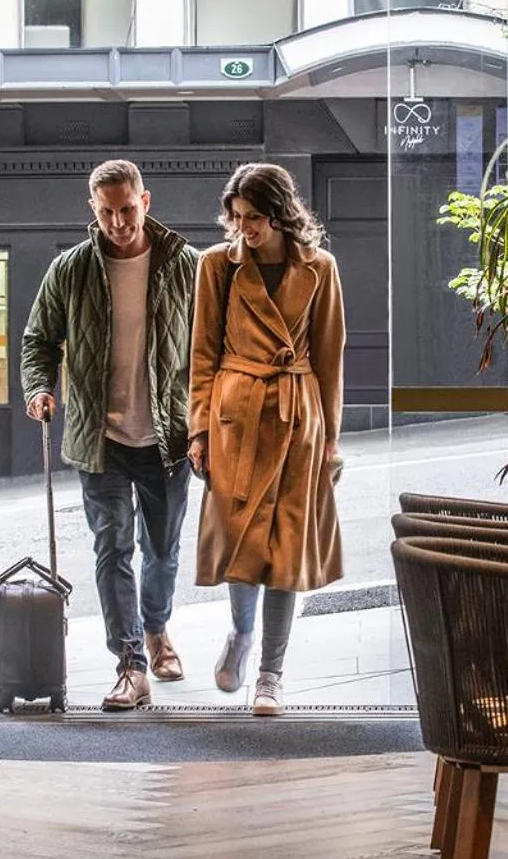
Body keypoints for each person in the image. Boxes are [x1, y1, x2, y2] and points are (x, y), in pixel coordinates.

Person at [21, 160, 199, 711]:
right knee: (112, 547)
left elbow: (212, 348)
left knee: (162, 549)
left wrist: (207, 423)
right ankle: (131, 663)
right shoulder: (70, 269)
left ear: (145, 202)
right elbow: (38, 339)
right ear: (92, 210)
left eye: (126, 209)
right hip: (100, 438)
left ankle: (157, 627)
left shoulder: (187, 266)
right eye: (106, 212)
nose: (118, 222)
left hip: (168, 437)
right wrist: (38, 387)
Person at [188, 163, 345, 717]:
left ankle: (270, 675)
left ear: (279, 214)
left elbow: (329, 358)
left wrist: (330, 442)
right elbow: (202, 353)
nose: (244, 228)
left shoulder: (320, 268)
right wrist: (199, 429)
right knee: (241, 538)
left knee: (287, 548)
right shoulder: (217, 265)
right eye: (236, 217)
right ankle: (241, 632)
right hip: (236, 415)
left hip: (298, 417)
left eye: (253, 217)